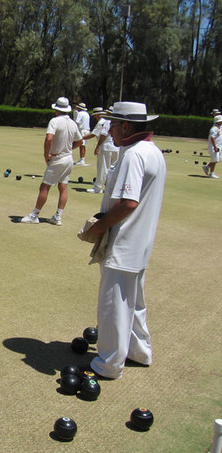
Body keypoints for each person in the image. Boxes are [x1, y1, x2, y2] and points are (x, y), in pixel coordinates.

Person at [85, 101, 166, 380]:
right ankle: (139, 352)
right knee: (135, 301)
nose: (109, 129)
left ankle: (109, 363)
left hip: (124, 242)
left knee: (114, 304)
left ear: (126, 126)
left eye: (112, 124)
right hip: (141, 242)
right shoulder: (154, 151)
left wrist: (100, 226)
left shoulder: (133, 154)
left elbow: (128, 203)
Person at [21, 97, 82, 225]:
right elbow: (79, 141)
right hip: (69, 158)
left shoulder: (54, 121)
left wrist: (46, 155)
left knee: (45, 187)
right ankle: (58, 217)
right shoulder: (72, 123)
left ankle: (34, 215)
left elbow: (49, 139)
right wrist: (71, 148)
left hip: (57, 158)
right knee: (63, 187)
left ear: (56, 109)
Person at [85, 106, 119, 194]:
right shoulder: (119, 121)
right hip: (116, 147)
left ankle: (98, 188)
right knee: (113, 168)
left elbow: (103, 134)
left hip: (107, 147)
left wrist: (98, 146)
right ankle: (111, 187)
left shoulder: (107, 121)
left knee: (103, 168)